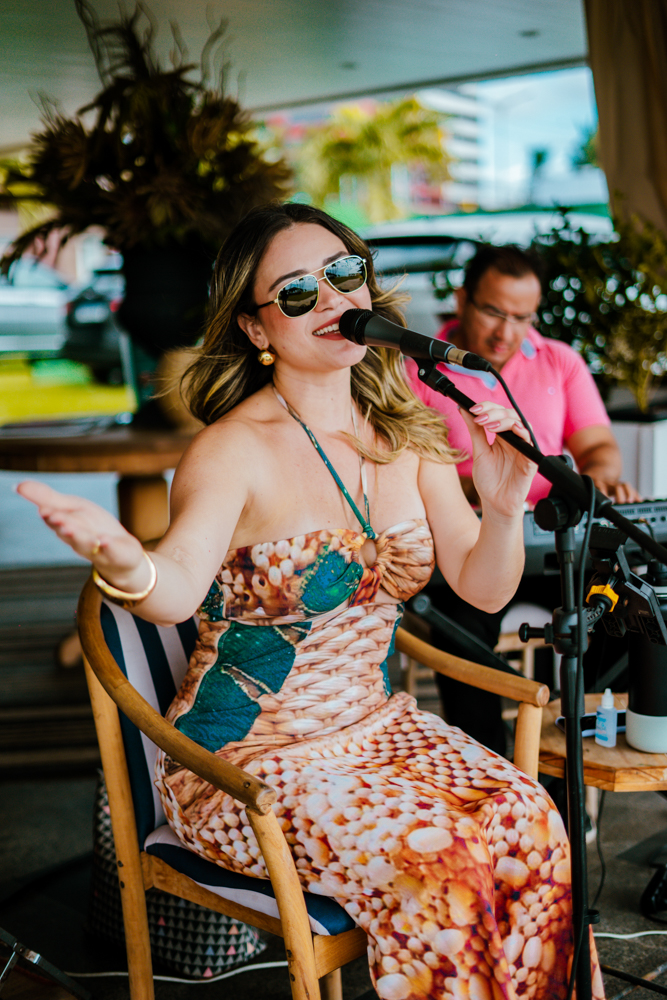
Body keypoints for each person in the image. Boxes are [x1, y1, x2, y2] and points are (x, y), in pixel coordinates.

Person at [17, 204, 603, 1000]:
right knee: (441, 866)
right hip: (249, 763)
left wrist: (501, 509)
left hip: (378, 731)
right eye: (296, 292)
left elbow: (482, 587)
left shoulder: (408, 433)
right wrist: (125, 559)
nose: (331, 299)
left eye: (342, 274)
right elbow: (177, 585)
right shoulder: (231, 449)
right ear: (255, 328)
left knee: (528, 817)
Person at [408, 244, 640, 755]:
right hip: (468, 543)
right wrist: (480, 492)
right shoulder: (419, 369)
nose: (506, 332)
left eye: (522, 317)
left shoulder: (560, 362)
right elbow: (412, 477)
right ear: (462, 300)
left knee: (618, 606)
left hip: (552, 541)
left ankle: (577, 756)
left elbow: (599, 449)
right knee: (462, 628)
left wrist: (598, 481)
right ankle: (487, 762)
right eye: (493, 311)